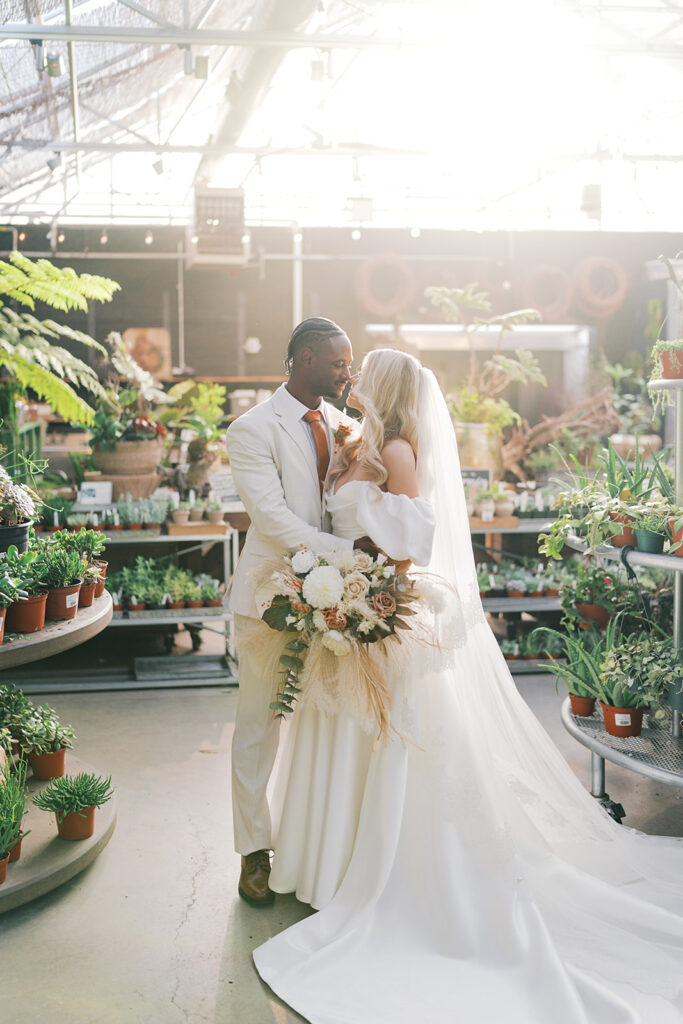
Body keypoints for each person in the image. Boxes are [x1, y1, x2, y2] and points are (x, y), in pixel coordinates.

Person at [253, 349, 683, 1023]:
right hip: (346, 600)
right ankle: (333, 863)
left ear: (386, 385)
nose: (354, 375)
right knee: (346, 740)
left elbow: (409, 544)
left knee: (390, 745)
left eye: (364, 368)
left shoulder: (396, 448)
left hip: (379, 606)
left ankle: (397, 875)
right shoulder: (358, 436)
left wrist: (363, 583)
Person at [225, 317, 362, 907]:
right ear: (304, 359)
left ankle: (316, 845)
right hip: (270, 599)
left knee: (330, 724)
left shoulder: (345, 424)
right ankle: (254, 850)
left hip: (340, 602)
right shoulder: (251, 428)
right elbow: (275, 520)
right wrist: (354, 557)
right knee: (259, 725)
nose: (347, 372)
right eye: (337, 362)